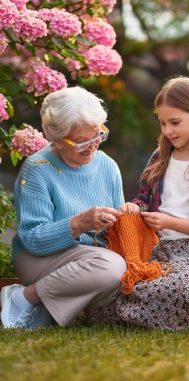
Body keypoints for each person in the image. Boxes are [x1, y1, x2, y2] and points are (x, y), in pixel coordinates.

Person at [87, 76, 189, 330]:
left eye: (175, 122)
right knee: (124, 276)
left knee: (182, 288)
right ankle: (133, 311)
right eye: (163, 123)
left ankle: (118, 312)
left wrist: (169, 222)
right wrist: (134, 207)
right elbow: (143, 198)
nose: (168, 131)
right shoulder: (160, 157)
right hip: (151, 243)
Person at [0, 86, 127, 329]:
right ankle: (24, 297)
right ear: (57, 140)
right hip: (41, 256)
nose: (92, 147)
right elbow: (32, 239)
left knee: (122, 268)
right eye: (81, 142)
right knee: (111, 269)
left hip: (91, 258)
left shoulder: (108, 166)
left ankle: (36, 308)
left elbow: (117, 229)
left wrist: (128, 216)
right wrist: (80, 223)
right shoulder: (37, 168)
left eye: (98, 135)